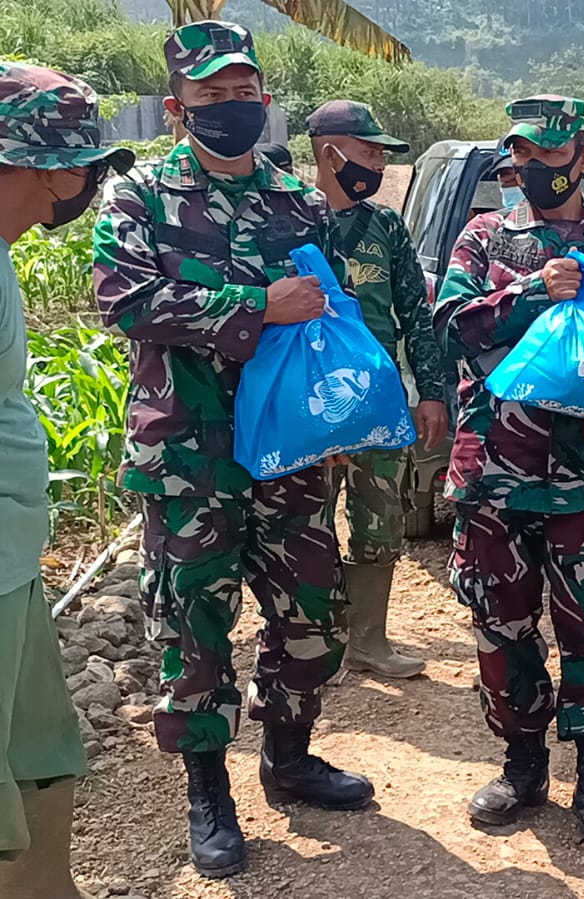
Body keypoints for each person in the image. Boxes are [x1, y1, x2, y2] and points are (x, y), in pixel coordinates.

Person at [94, 21, 375, 880]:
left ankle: (287, 756)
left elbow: (322, 313)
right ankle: (207, 787)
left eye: (243, 91)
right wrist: (254, 307)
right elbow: (127, 301)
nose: (231, 106)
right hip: (188, 451)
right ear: (178, 107)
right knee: (194, 622)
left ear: (263, 98)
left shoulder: (296, 200)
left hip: (286, 450)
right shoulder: (137, 197)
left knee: (312, 613)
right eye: (211, 94)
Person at [432, 95, 584, 839]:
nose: (535, 170)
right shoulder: (486, 233)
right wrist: (530, 291)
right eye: (523, 156)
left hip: (582, 473)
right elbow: (451, 325)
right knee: (500, 623)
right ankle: (522, 762)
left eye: (550, 157)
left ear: (582, 157)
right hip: (493, 469)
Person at [0, 62, 132, 899]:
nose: (80, 184)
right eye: (76, 162)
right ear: (45, 167)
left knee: (39, 751)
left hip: (13, 559)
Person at [308, 100, 450, 679]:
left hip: (379, 400)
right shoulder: (293, 219)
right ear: (330, 152)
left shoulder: (386, 226)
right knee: (307, 523)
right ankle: (318, 647)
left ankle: (368, 638)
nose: (376, 165)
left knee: (379, 517)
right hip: (312, 404)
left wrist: (433, 393)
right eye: (368, 152)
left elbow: (417, 314)